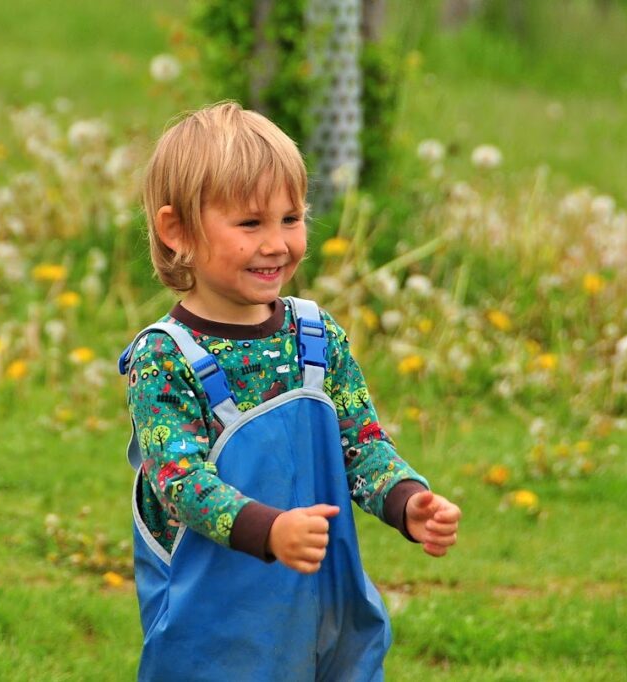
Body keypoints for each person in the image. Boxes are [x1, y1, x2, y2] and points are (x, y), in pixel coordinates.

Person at [119, 101, 461, 681]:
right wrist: (270, 530)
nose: (277, 243)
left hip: (324, 617)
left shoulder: (315, 335)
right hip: (215, 636)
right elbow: (179, 482)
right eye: (250, 224)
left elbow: (362, 444)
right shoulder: (164, 357)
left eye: (291, 218)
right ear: (177, 231)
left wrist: (407, 501)